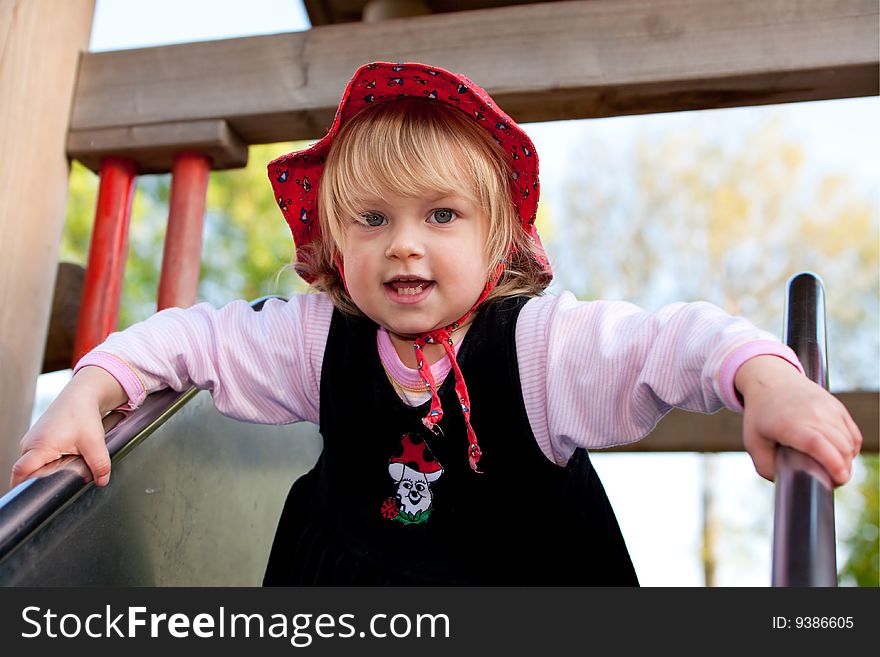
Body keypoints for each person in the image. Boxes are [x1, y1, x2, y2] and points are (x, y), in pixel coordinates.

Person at [11, 62, 862, 585]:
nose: (404, 246)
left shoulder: (541, 346)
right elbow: (193, 338)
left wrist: (767, 377)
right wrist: (92, 385)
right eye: (372, 219)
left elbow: (669, 341)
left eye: (442, 216)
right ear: (334, 241)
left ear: (500, 237)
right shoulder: (316, 339)